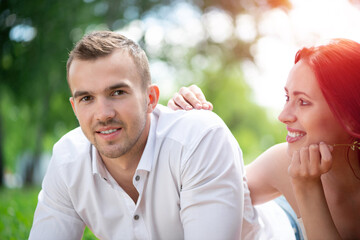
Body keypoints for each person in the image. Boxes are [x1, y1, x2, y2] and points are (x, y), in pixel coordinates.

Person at [28, 30, 265, 239]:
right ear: (75, 108)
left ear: (150, 99)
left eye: (117, 92)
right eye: (87, 98)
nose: (102, 114)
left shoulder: (199, 140)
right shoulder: (67, 160)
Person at [168, 38, 360, 239]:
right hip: (277, 224)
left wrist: (307, 189)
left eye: (303, 102)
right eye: (288, 98)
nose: (283, 116)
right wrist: (188, 117)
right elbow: (206, 192)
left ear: (351, 119)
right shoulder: (283, 161)